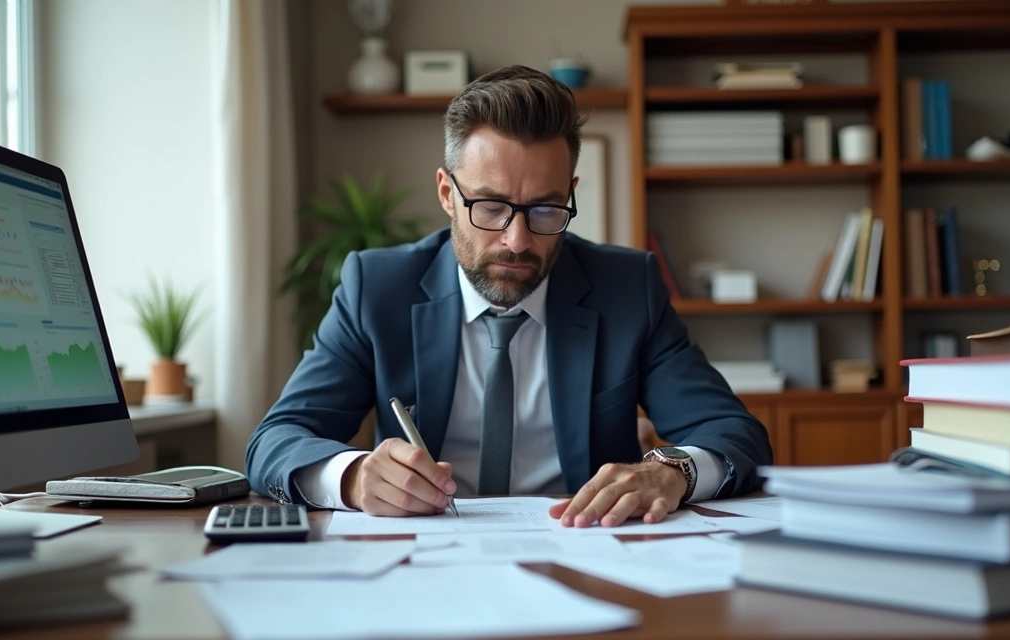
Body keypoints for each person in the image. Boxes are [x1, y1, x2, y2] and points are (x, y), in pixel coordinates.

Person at [245, 65, 772, 527]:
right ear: (448, 195)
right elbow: (278, 437)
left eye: (545, 210)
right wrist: (355, 476)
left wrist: (672, 472)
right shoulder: (377, 287)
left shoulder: (627, 289)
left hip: (583, 551)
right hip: (423, 561)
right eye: (491, 207)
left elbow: (733, 433)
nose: (517, 241)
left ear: (570, 195)